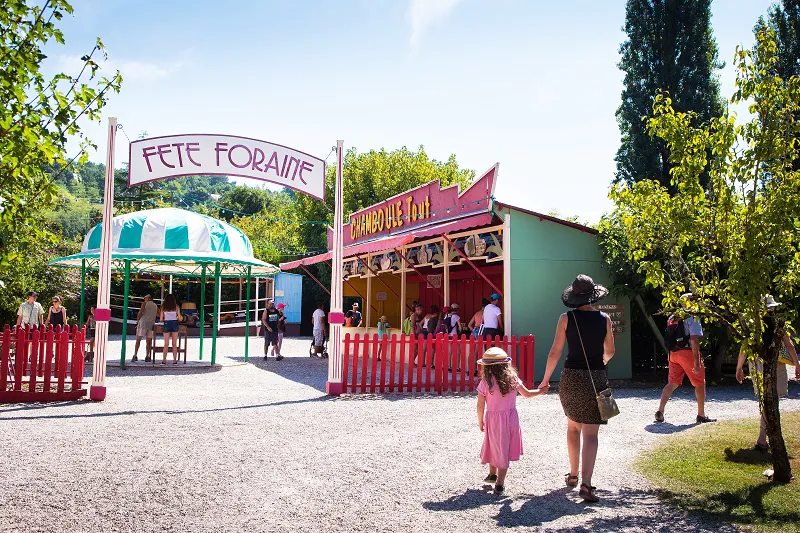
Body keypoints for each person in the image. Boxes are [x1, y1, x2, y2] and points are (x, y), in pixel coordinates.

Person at [538, 274, 615, 503]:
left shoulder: (566, 318)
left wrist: (544, 380)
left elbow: (555, 352)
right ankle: (587, 484)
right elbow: (610, 352)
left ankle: (572, 475)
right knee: (592, 434)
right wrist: (599, 364)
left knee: (573, 427)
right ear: (593, 296)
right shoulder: (605, 319)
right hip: (597, 377)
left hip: (570, 377)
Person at [477, 347, 545, 495]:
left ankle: (493, 475)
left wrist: (480, 420)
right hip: (510, 418)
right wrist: (541, 391)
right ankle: (499, 481)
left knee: (493, 444)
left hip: (493, 419)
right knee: (505, 447)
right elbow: (527, 394)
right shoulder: (513, 380)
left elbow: (480, 404)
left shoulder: (485, 383)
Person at [736, 295, 800, 451]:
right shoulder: (778, 324)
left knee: (766, 400)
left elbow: (745, 347)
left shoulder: (753, 325)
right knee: (771, 401)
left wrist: (739, 368)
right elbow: (789, 345)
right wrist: (797, 364)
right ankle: (763, 438)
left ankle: (765, 437)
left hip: (756, 362)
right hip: (774, 363)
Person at [655, 293, 716, 425]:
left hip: (673, 353)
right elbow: (694, 340)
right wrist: (696, 362)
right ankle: (701, 414)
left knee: (672, 383)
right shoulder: (692, 317)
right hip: (687, 353)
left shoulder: (672, 317)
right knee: (700, 383)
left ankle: (660, 410)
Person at [133, 295, 158, 362]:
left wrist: (137, 321)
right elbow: (158, 314)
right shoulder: (155, 305)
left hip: (143, 323)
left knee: (138, 340)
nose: (144, 299)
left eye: (145, 298)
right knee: (149, 341)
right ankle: (148, 356)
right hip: (151, 324)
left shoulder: (144, 303)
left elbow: (140, 312)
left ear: (149, 298)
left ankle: (135, 355)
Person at [160, 294, 182, 365]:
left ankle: (164, 360)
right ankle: (174, 360)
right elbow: (180, 318)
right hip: (175, 323)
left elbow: (161, 319)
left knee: (166, 343)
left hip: (166, 323)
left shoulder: (163, 307)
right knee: (174, 344)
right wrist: (178, 318)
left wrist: (165, 319)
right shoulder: (176, 307)